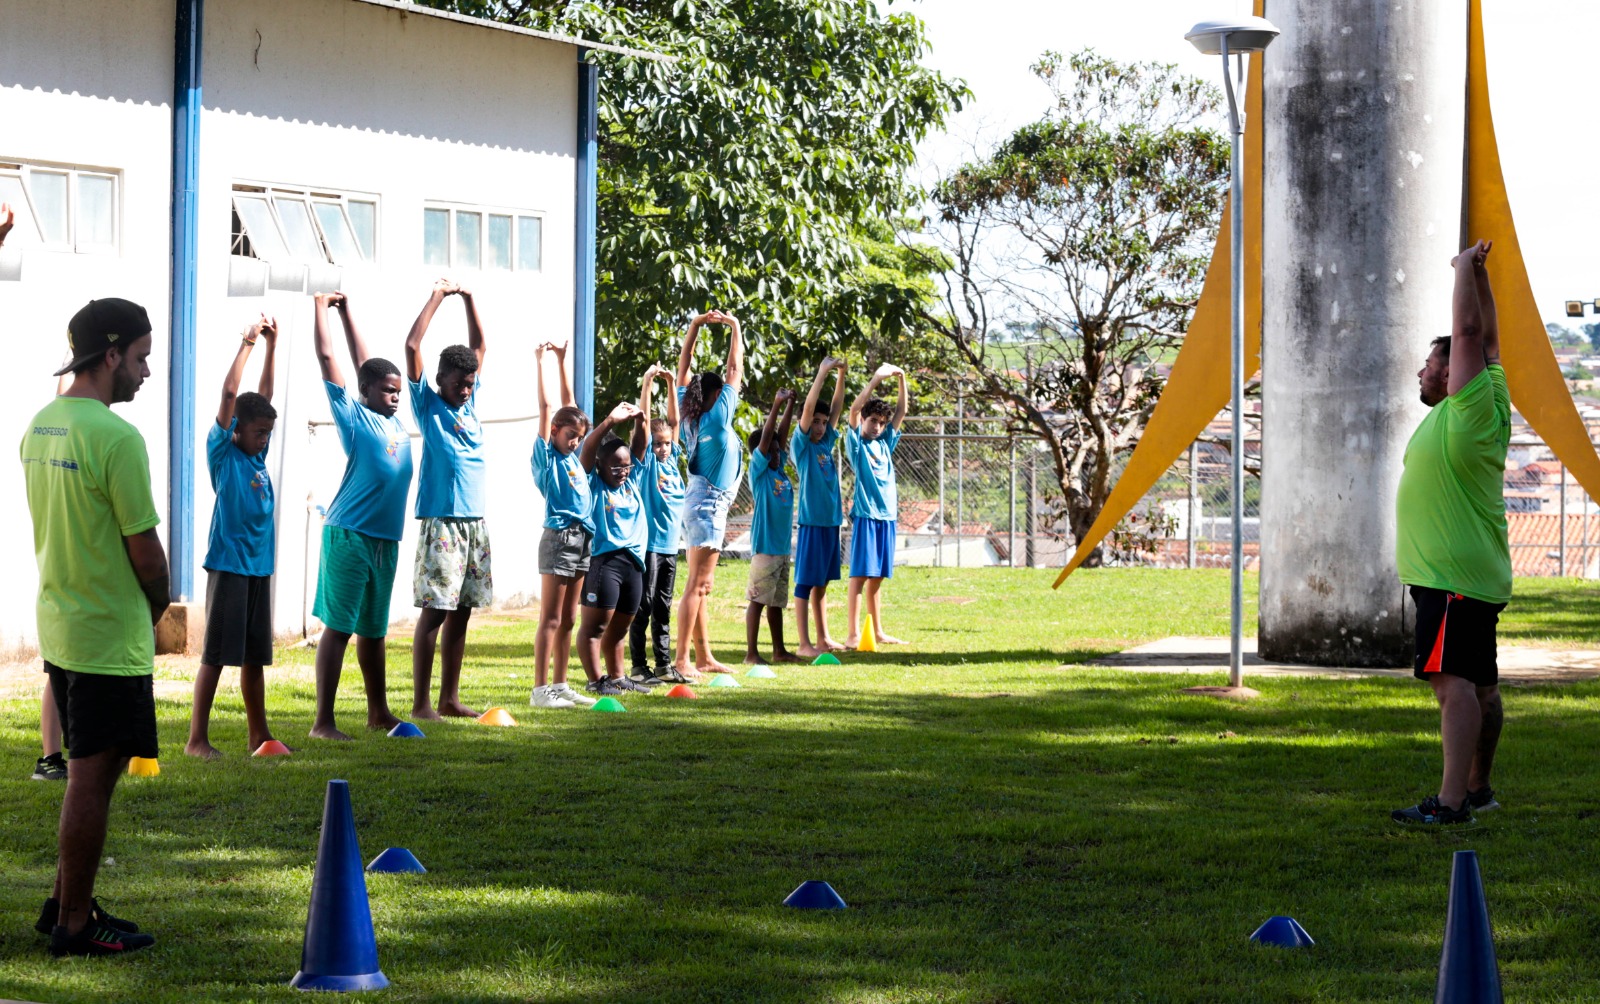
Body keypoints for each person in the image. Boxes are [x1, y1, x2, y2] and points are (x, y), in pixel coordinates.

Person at [23, 297, 163, 955]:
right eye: (139, 358)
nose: (144, 372)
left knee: (89, 779)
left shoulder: (42, 426)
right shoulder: (115, 437)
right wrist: (158, 606)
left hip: (63, 631)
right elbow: (145, 552)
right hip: (108, 637)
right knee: (91, 783)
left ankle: (64, 904)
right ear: (110, 355)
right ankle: (76, 927)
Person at [1391, 239, 1511, 826]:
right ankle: (1480, 788)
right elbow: (1486, 340)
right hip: (1470, 574)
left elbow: (1469, 337)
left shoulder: (1468, 408)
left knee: (1454, 687)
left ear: (1451, 371)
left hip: (1452, 579)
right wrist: (1482, 277)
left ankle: (1451, 802)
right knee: (1482, 688)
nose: (1423, 369)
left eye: (1430, 362)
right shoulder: (1484, 397)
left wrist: (1464, 267)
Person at [308, 292, 412, 740]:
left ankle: (378, 712)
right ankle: (323, 723)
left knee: (374, 631)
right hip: (348, 534)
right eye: (387, 390)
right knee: (340, 629)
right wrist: (321, 306)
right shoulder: (354, 417)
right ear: (365, 391)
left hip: (384, 541)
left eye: (398, 391)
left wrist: (349, 310)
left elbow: (366, 362)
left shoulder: (392, 422)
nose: (394, 397)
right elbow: (333, 357)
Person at [186, 313, 281, 757]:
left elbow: (263, 400)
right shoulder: (225, 453)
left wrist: (273, 349)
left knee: (253, 658)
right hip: (229, 565)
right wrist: (248, 342)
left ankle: (257, 735)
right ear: (236, 430)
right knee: (215, 657)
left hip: (259, 568)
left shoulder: (256, 456)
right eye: (258, 433)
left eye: (268, 434)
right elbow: (232, 395)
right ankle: (196, 739)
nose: (264, 440)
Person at [404, 280, 489, 721]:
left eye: (471, 383)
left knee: (463, 612)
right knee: (436, 612)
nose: (466, 389)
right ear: (440, 380)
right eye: (458, 383)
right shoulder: (428, 405)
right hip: (442, 523)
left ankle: (449, 698)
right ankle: (421, 704)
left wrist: (470, 297)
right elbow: (412, 343)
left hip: (475, 523)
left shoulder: (471, 407)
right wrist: (438, 296)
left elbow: (480, 344)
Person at [4, 202, 67, 784]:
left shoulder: (55, 431)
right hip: (70, 590)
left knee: (60, 670)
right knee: (59, 670)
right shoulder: (48, 429)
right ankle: (53, 756)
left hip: (72, 590)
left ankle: (57, 756)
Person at [672, 310, 745, 680]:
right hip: (707, 508)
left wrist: (696, 326)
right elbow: (735, 368)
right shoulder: (717, 417)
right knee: (698, 586)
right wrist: (734, 326)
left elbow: (683, 368)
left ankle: (703, 656)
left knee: (701, 585)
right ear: (717, 395)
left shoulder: (690, 416)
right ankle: (682, 659)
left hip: (698, 505)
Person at [529, 341, 596, 709]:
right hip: (559, 537)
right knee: (551, 619)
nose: (575, 442)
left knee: (570, 619)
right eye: (570, 436)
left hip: (583, 539)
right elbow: (548, 408)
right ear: (554, 431)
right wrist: (540, 362)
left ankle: (560, 684)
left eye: (579, 437)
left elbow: (570, 405)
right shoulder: (547, 457)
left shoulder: (571, 453)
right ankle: (541, 691)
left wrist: (562, 360)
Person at [574, 403, 651, 696]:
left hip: (633, 563)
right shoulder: (592, 484)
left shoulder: (631, 482)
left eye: (626, 465)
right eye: (616, 466)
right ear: (601, 465)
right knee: (595, 627)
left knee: (620, 628)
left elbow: (640, 445)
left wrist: (641, 419)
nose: (622, 471)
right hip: (603, 562)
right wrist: (609, 422)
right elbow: (588, 449)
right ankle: (596, 680)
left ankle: (617, 677)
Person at [843, 364, 909, 648]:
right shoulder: (858, 443)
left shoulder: (884, 443)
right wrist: (876, 380)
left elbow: (902, 412)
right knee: (859, 576)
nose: (877, 426)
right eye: (873, 421)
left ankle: (878, 631)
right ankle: (853, 634)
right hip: (867, 515)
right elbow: (853, 412)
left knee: (878, 578)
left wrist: (902, 379)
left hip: (888, 517)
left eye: (881, 423)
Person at [629, 364, 687, 687]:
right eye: (659, 443)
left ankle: (663, 664)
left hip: (670, 548)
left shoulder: (673, 464)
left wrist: (671, 382)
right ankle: (639, 666)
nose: (663, 448)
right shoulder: (648, 463)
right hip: (650, 546)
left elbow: (674, 422)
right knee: (645, 605)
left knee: (663, 606)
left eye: (667, 444)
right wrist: (649, 381)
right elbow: (646, 426)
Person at [791, 357, 850, 658]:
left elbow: (837, 408)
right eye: (816, 421)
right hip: (813, 522)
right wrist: (823, 373)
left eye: (823, 422)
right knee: (805, 582)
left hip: (831, 522)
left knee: (823, 583)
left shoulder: (826, 443)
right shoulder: (802, 446)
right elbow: (808, 407)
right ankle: (804, 644)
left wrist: (841, 375)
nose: (820, 425)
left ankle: (823, 638)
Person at [744, 389, 799, 663]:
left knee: (776, 603)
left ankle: (779, 651)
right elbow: (768, 439)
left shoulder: (778, 471)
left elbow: (781, 435)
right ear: (760, 454)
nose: (777, 454)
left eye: (779, 451)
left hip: (781, 548)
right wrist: (776, 403)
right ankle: (751, 654)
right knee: (758, 600)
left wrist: (791, 403)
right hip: (765, 546)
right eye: (772, 451)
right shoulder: (760, 471)